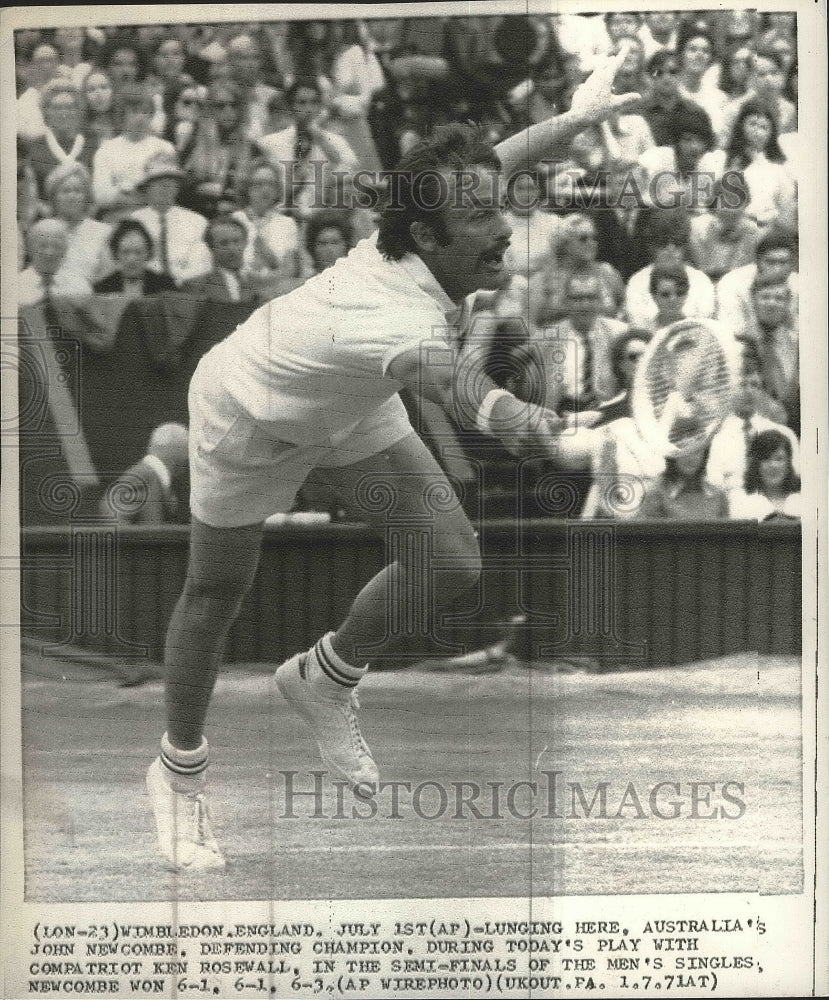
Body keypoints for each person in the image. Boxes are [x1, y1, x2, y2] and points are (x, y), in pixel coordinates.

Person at [144, 48, 640, 871]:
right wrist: (571, 436)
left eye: (496, 209)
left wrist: (579, 118)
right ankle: (178, 776)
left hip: (341, 395)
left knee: (448, 558)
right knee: (213, 593)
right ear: (425, 236)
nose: (501, 227)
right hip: (244, 415)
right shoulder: (396, 323)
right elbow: (473, 397)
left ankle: (326, 676)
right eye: (480, 219)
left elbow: (499, 161)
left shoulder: (426, 230)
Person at [706, 353, 799, 495]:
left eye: (754, 385)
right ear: (726, 390)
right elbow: (713, 490)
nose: (749, 391)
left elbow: (796, 481)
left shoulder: (783, 435)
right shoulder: (716, 438)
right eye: (742, 385)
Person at [130, 152, 212, 287]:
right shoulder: (133, 222)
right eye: (158, 182)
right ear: (146, 188)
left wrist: (179, 283)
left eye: (171, 182)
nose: (166, 187)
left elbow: (202, 264)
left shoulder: (197, 222)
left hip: (187, 289)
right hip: (146, 289)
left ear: (178, 188)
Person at [100, 423, 190, 525]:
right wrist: (133, 540)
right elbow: (111, 509)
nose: (188, 458)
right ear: (177, 451)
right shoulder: (143, 476)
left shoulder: (152, 478)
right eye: (188, 450)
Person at [43, 161, 112, 286]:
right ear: (53, 197)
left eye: (78, 191)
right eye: (65, 191)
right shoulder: (43, 231)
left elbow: (108, 278)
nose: (72, 196)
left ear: (86, 196)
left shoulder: (104, 232)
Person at [634, 444, 729, 520]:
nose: (691, 458)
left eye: (697, 450)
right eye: (684, 449)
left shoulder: (718, 496)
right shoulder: (656, 494)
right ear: (672, 454)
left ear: (705, 454)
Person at [180, 215, 259, 303]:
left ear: (245, 243)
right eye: (224, 243)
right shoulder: (196, 285)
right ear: (211, 248)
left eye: (236, 241)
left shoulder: (261, 283)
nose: (232, 249)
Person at [728, 428, 801, 520]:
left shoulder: (803, 500)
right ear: (756, 464)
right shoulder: (741, 502)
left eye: (779, 459)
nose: (773, 465)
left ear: (788, 462)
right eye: (766, 459)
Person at [18, 218, 92, 308]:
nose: (49, 253)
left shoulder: (80, 287)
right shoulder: (14, 287)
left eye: (57, 246)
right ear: (29, 248)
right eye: (43, 246)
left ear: (65, 250)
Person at [93, 218, 178, 296]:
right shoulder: (102, 289)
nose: (131, 259)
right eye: (125, 252)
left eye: (138, 252)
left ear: (148, 253)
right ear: (116, 253)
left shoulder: (165, 287)